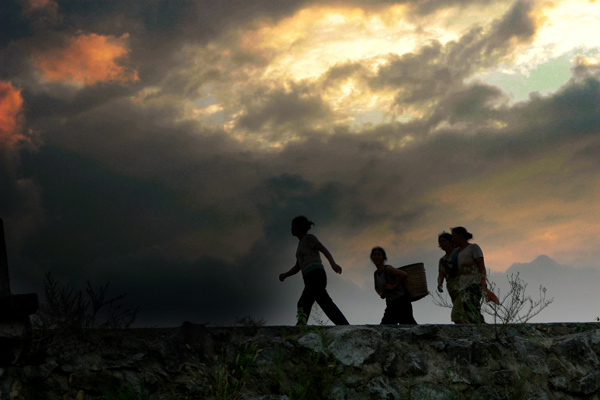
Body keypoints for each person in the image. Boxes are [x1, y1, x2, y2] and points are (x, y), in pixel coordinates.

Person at [279, 216, 349, 325]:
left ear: (298, 227)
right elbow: (298, 266)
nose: (291, 229)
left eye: (292, 227)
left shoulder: (309, 238)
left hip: (316, 274)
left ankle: (301, 326)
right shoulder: (300, 245)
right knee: (325, 302)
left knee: (303, 302)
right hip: (308, 277)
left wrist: (333, 264)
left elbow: (324, 250)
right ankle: (343, 324)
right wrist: (285, 275)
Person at [370, 246, 417, 325]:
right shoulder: (376, 274)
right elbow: (376, 287)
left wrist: (393, 286)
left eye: (379, 255)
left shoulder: (388, 268)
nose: (376, 257)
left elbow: (404, 274)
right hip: (390, 303)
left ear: (383, 258)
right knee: (386, 326)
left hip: (402, 301)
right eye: (374, 255)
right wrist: (381, 294)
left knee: (408, 324)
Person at [451, 226, 486, 324]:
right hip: (463, 286)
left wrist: (483, 281)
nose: (452, 239)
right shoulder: (457, 253)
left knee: (472, 308)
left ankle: (482, 329)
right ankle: (481, 329)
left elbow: (481, 265)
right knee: (467, 311)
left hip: (474, 283)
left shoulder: (473, 247)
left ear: (461, 235)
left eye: (454, 236)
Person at [436, 232, 465, 324]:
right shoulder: (442, 260)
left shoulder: (459, 252)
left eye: (445, 241)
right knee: (464, 314)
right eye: (440, 242)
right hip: (452, 288)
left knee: (456, 314)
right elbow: (441, 274)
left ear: (450, 241)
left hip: (462, 285)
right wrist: (439, 284)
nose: (442, 243)